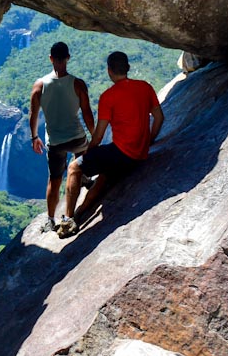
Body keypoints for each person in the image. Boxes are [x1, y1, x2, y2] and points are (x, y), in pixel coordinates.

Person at [57, 51, 165, 238]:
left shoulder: (109, 96)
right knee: (104, 177)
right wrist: (148, 141)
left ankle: (67, 220)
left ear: (109, 71)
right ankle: (79, 214)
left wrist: (87, 155)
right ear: (127, 68)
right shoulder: (145, 87)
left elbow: (98, 136)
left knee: (75, 167)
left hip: (121, 153)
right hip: (138, 156)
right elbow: (159, 117)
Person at [30, 42, 95, 233]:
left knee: (54, 180)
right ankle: (82, 178)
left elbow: (33, 114)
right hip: (76, 138)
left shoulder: (39, 85)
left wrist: (34, 137)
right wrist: (95, 137)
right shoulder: (78, 84)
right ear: (68, 58)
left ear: (50, 58)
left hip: (55, 142)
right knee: (81, 158)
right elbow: (87, 114)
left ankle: (50, 219)